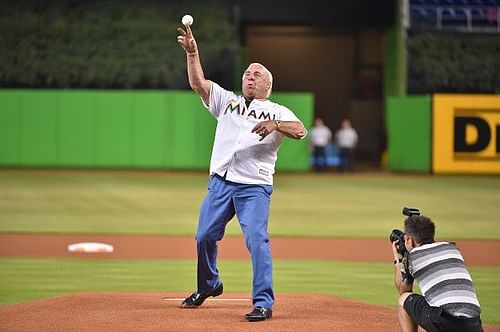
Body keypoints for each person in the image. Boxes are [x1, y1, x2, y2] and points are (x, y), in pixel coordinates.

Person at [176, 25, 307, 322]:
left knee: (257, 240)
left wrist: (276, 125)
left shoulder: (277, 110)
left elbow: (300, 131)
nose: (250, 76)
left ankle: (263, 302)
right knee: (204, 236)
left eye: (257, 74)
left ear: (267, 86)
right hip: (221, 182)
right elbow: (199, 84)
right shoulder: (228, 102)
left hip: (254, 188)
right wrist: (193, 53)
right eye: (247, 73)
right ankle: (209, 285)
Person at [392, 215, 483, 332]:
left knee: (403, 299)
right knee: (432, 305)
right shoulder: (452, 248)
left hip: (445, 323)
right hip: (474, 324)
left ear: (410, 240)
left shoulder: (412, 256)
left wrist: (398, 258)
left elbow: (403, 289)